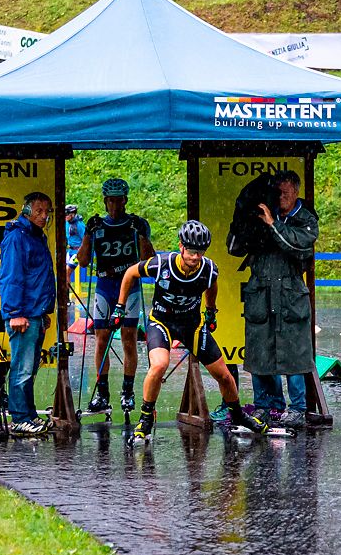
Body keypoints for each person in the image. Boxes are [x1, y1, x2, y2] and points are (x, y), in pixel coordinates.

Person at [113, 220, 266, 443]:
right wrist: (120, 306)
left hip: (191, 325)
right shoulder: (162, 264)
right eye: (192, 251)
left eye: (200, 252)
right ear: (181, 246)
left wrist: (211, 311)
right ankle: (145, 420)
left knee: (223, 374)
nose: (195, 257)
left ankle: (239, 416)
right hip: (161, 322)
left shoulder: (208, 268)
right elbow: (129, 274)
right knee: (159, 365)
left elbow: (212, 286)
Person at [239, 170, 319, 430]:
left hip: (290, 294)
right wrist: (243, 221)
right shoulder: (261, 217)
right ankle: (265, 405)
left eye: (284, 193)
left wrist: (273, 224)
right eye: (277, 193)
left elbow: (297, 245)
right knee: (261, 349)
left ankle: (297, 407)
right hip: (261, 292)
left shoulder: (306, 219)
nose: (280, 197)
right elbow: (235, 247)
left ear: (296, 191)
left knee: (294, 351)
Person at [76, 177, 154, 414]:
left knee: (129, 338)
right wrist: (88, 235)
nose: (115, 206)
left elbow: (149, 260)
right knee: (101, 338)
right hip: (104, 286)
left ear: (125, 200)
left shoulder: (136, 224)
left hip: (129, 286)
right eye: (110, 201)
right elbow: (83, 260)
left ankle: (128, 392)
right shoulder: (98, 225)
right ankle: (102, 394)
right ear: (105, 201)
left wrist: (142, 235)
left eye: (119, 201)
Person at [0, 191, 56, 436]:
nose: (43, 216)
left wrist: (44, 311)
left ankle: (30, 415)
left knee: (30, 367)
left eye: (47, 212)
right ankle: (20, 418)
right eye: (39, 211)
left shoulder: (36, 236)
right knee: (21, 367)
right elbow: (12, 278)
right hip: (23, 314)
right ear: (27, 211)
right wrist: (14, 312)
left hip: (36, 312)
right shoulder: (17, 238)